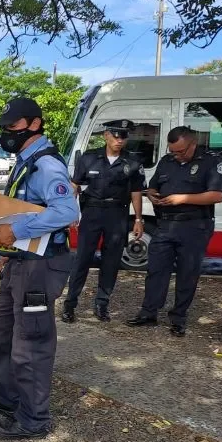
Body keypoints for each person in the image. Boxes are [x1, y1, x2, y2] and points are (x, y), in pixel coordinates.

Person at [0, 97, 79, 440]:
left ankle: (33, 419)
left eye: (12, 127)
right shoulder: (24, 161)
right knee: (3, 330)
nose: (6, 133)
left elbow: (67, 212)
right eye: (4, 127)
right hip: (19, 261)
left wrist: (15, 232)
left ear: (34, 123)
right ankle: (7, 398)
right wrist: (6, 249)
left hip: (41, 267)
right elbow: (22, 207)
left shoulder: (46, 165)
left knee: (31, 341)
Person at [125, 126, 222, 337]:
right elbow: (152, 186)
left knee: (187, 273)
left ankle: (178, 318)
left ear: (193, 144)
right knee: (156, 270)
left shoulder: (210, 161)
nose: (177, 155)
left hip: (194, 226)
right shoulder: (166, 161)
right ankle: (148, 313)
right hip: (165, 225)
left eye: (181, 151)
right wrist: (152, 195)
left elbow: (216, 195)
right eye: (173, 151)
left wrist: (182, 198)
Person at [62, 120, 147, 323]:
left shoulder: (132, 162)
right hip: (92, 212)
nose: (119, 140)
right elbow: (75, 185)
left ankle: (102, 304)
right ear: (106, 136)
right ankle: (70, 304)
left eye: (123, 137)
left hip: (117, 214)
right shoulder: (89, 158)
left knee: (111, 262)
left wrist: (138, 219)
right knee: (82, 259)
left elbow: (136, 192)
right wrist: (70, 212)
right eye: (116, 136)